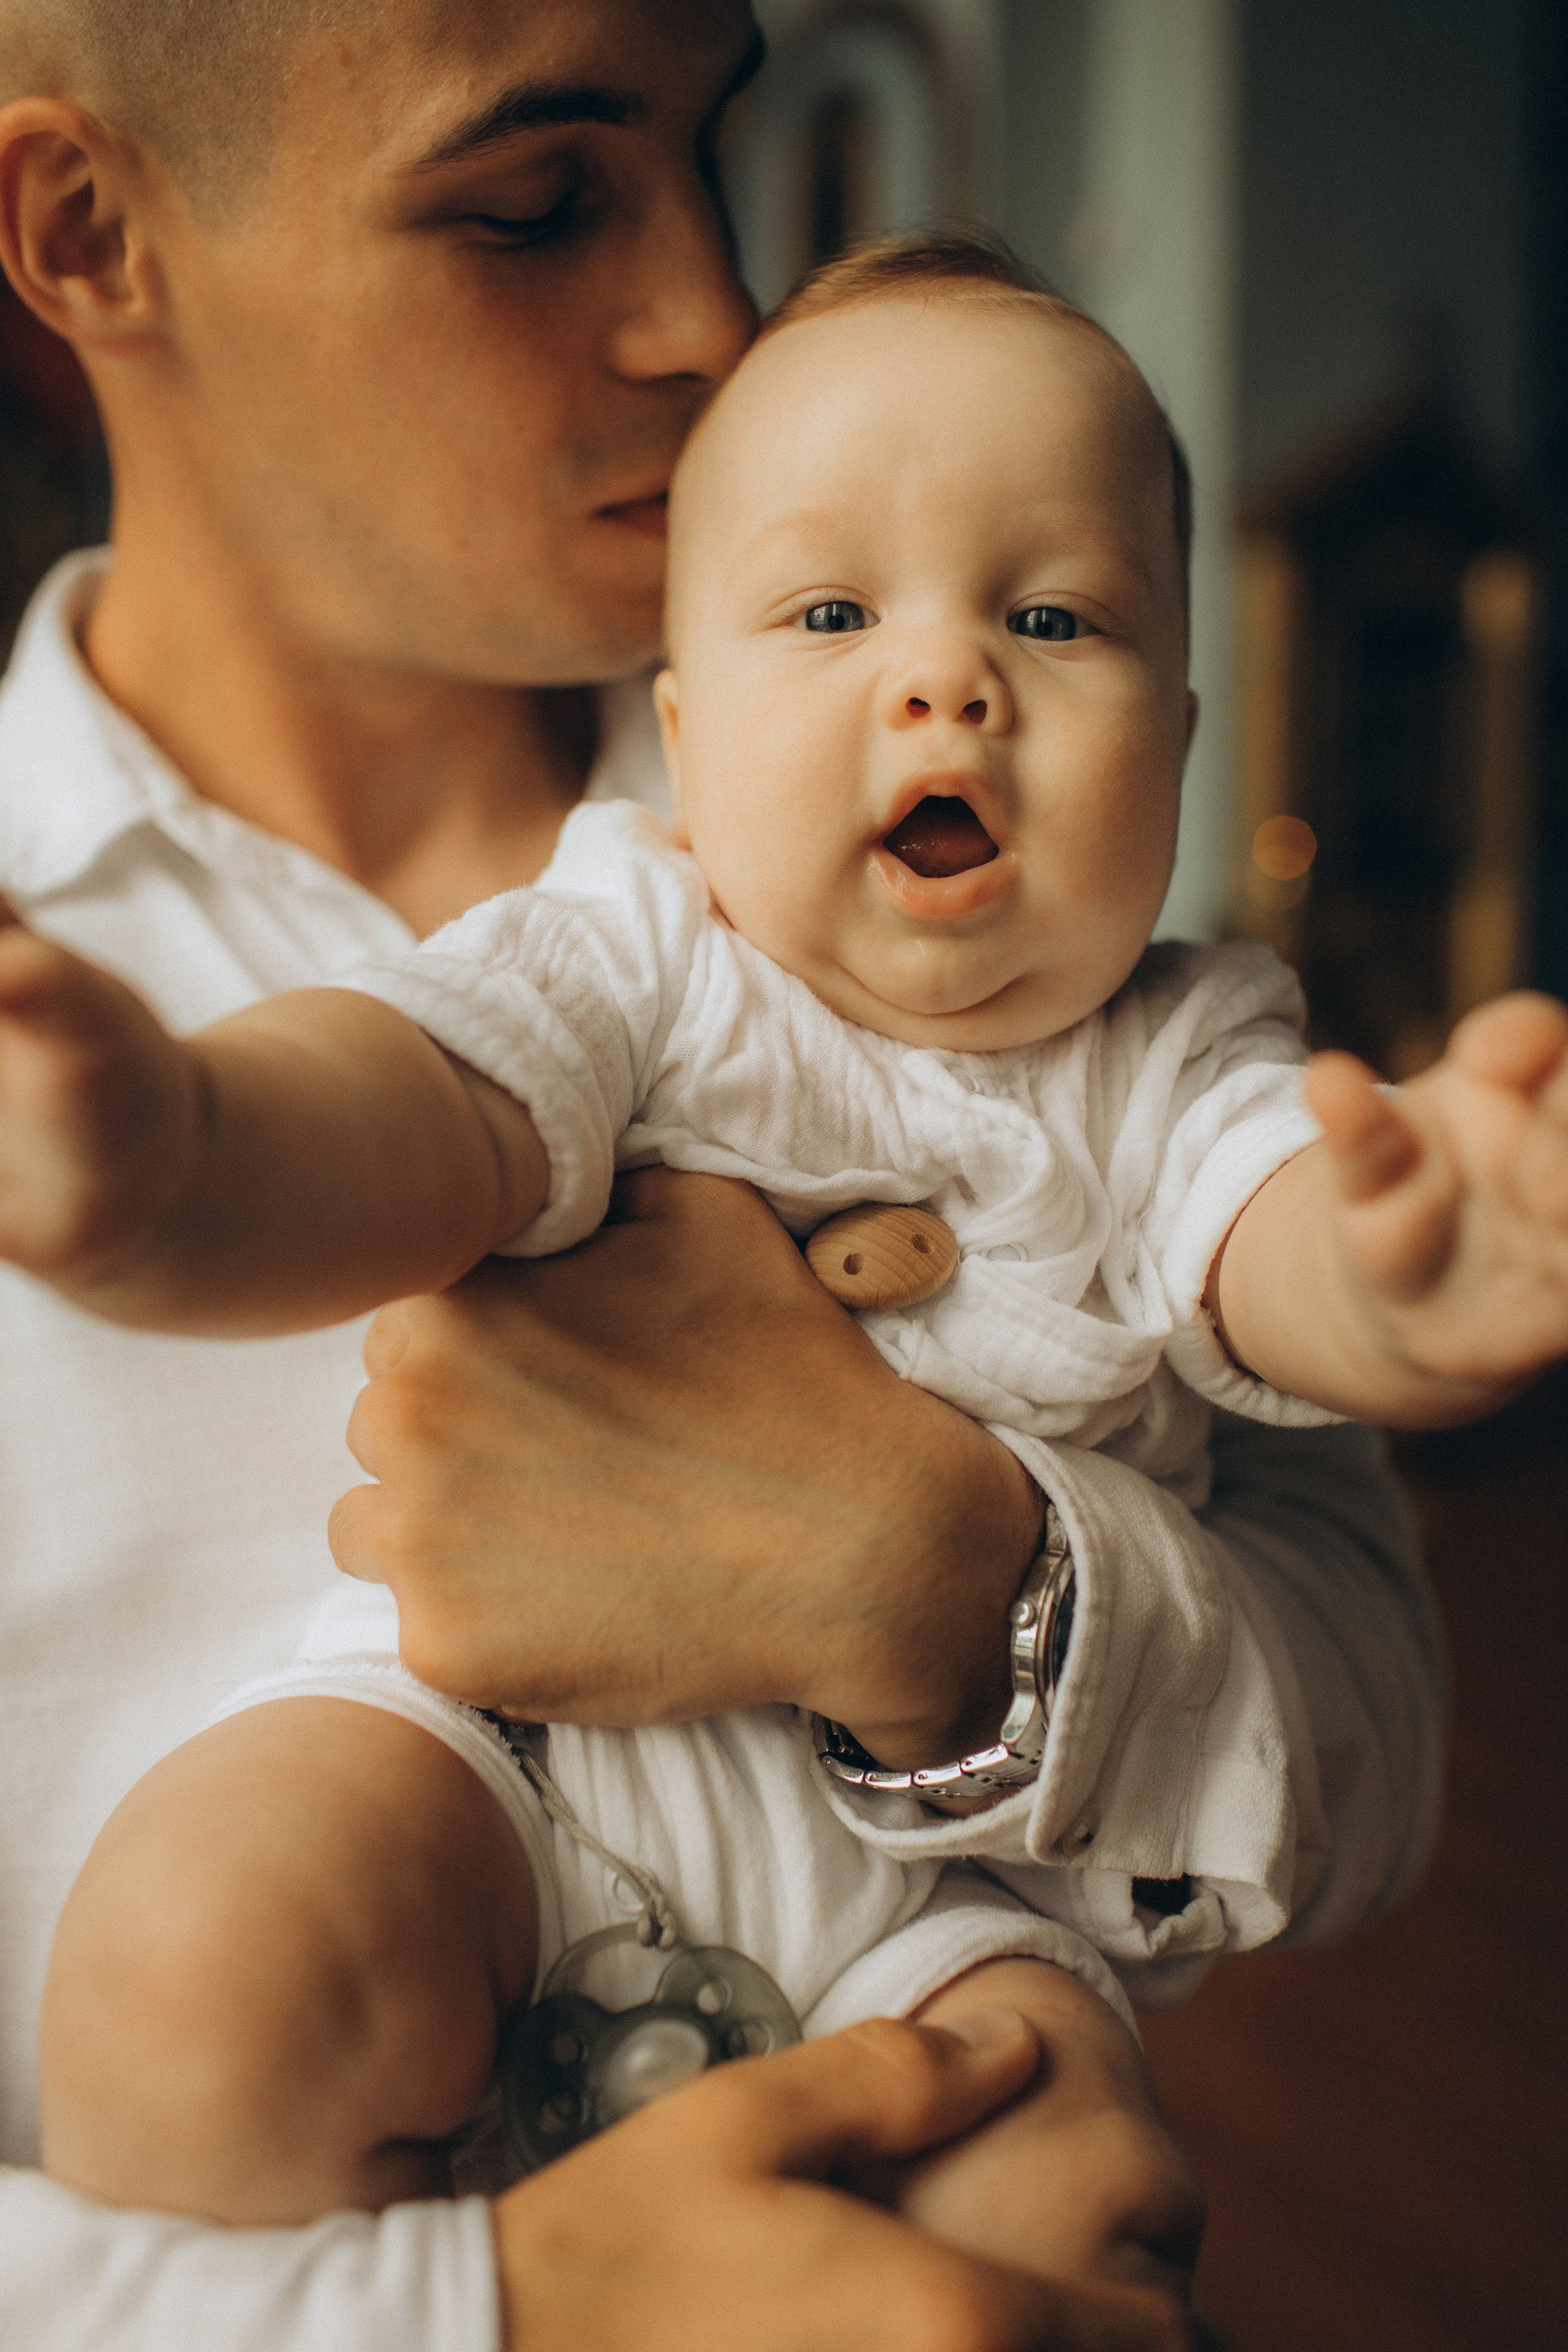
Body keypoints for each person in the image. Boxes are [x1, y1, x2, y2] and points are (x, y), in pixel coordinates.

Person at [0, 3, 1441, 2347]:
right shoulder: (268, 1020)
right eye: (535, 202)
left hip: (933, 1962)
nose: (711, 311)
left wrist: (944, 1580)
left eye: (716, 155)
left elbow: (1373, 1733)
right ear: (89, 233)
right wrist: (500, 2305)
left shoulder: (1061, 970)